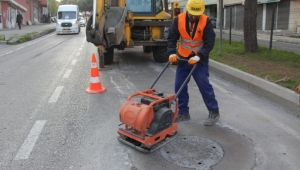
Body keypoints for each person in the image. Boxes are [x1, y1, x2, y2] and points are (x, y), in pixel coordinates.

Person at [167, 0, 220, 126]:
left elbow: (209, 42)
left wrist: (199, 56)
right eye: (192, 14)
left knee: (204, 85)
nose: (194, 16)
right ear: (188, 9)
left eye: (197, 14)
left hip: (198, 60)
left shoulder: (206, 21)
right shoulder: (178, 19)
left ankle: (214, 112)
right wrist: (171, 53)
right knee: (179, 86)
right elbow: (171, 38)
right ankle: (183, 113)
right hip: (183, 58)